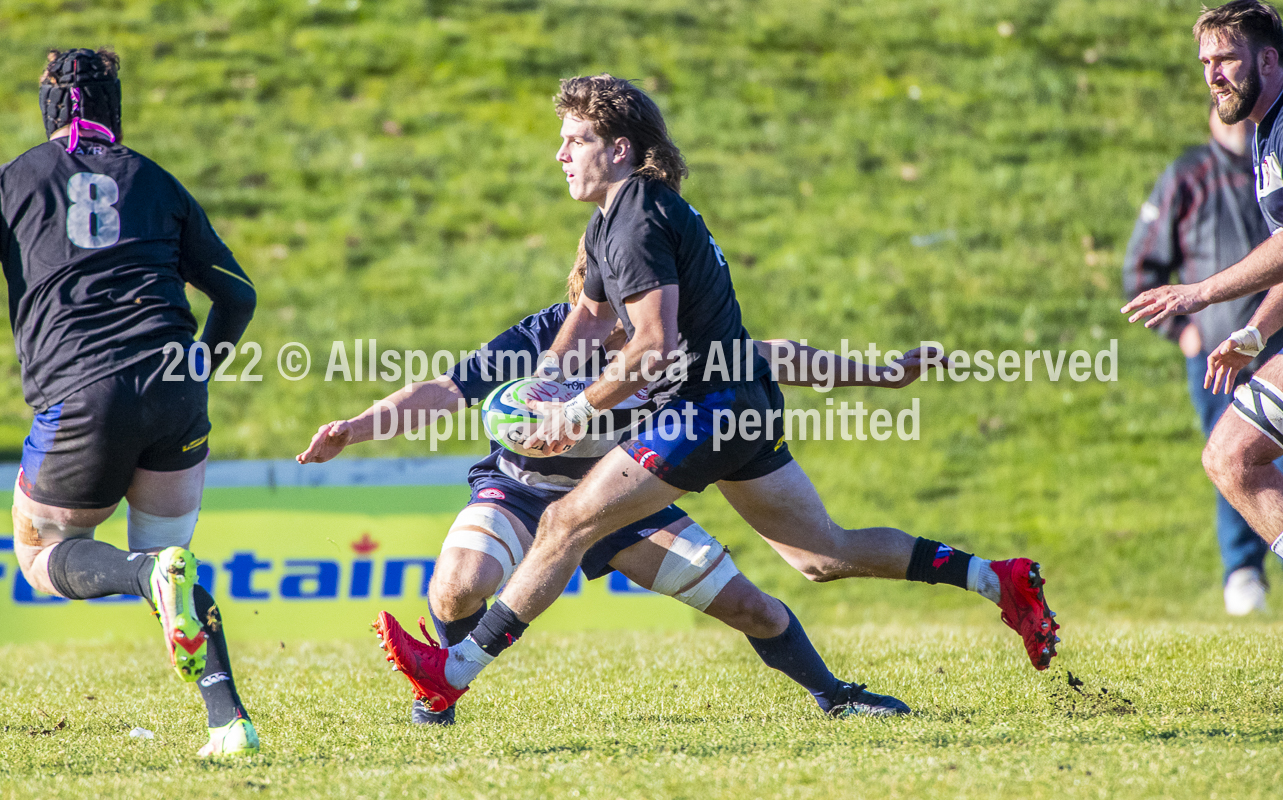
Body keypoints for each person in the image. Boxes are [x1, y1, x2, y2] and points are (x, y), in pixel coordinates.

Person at [372, 74, 1060, 715]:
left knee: (566, 523)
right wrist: (544, 387)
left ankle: (451, 673)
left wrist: (576, 410)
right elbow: (589, 321)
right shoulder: (612, 222)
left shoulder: (638, 217)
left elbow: (654, 348)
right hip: (738, 402)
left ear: (618, 149)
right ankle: (996, 580)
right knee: (822, 554)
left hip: (710, 412)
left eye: (573, 139)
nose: (559, 154)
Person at [299, 245, 942, 723]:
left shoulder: (670, 340)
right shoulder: (541, 335)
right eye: (607, 307)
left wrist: (879, 376)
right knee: (458, 585)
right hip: (521, 492)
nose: (620, 324)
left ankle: (834, 696)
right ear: (585, 293)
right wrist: (355, 428)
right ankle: (441, 691)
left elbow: (769, 354)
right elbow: (443, 389)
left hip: (624, 504)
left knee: (753, 608)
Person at [0, 49, 259, 757]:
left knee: (42, 551)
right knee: (172, 555)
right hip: (177, 387)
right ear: (115, 106)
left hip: (85, 389)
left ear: (50, 106)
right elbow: (237, 294)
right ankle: (229, 723)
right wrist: (200, 368)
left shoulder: (14, 179)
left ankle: (145, 576)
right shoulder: (155, 179)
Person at [1124, 1, 1283, 583]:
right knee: (1229, 457)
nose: (1214, 74)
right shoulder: (1266, 136)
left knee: (1233, 455)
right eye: (1205, 61)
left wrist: (1204, 293)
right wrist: (1253, 331)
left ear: (1268, 59)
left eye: (1227, 59)